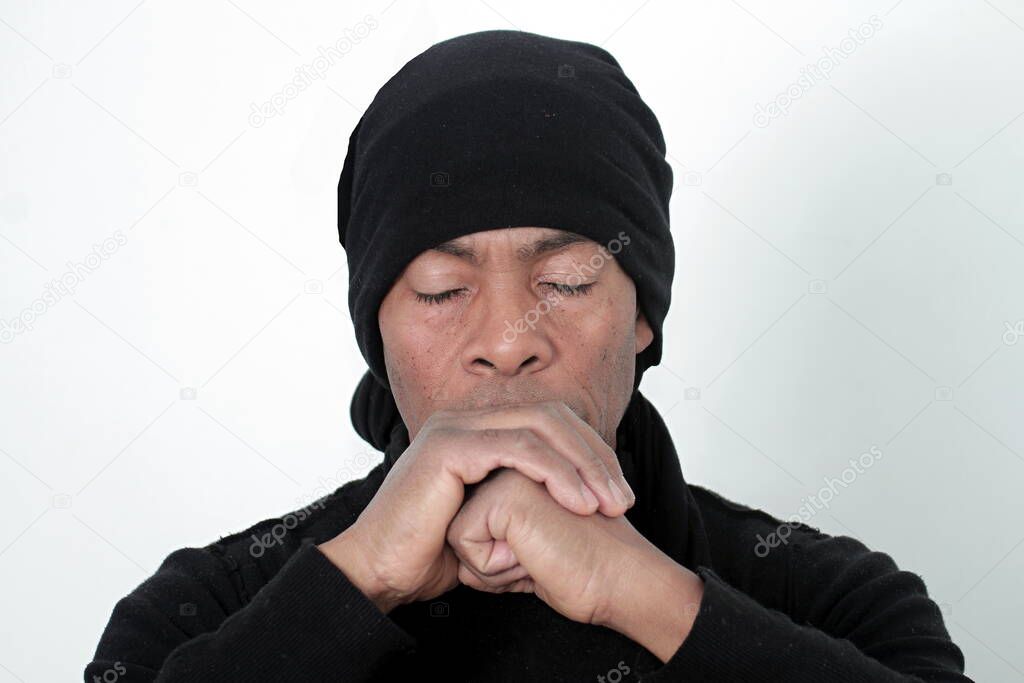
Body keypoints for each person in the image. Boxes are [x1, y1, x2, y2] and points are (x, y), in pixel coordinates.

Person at [84, 29, 971, 682]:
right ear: (377, 331)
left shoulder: (836, 601)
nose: (508, 343)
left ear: (642, 320)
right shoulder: (207, 611)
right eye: (440, 288)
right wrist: (359, 581)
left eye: (571, 280)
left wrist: (644, 594)